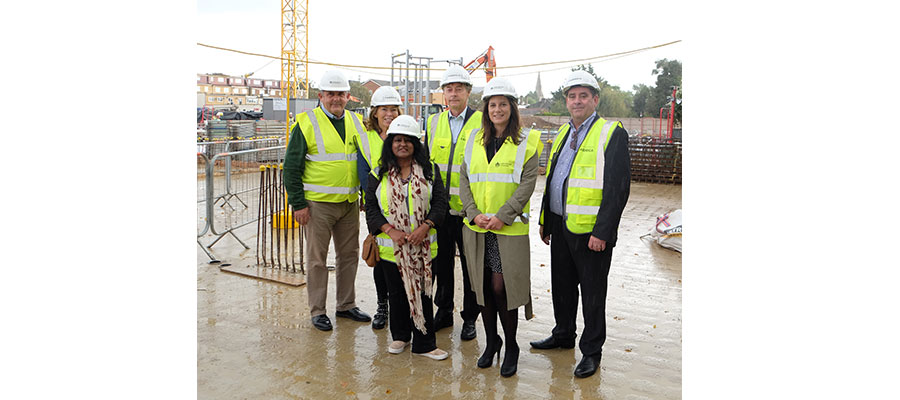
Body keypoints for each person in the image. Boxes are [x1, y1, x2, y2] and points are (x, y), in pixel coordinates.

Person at [530, 70, 631, 378]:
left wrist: (603, 231)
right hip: (561, 226)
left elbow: (617, 188)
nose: (577, 101)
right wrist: (546, 220)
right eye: (572, 96)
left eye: (583, 96)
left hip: (590, 233)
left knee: (592, 293)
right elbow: (553, 180)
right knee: (561, 287)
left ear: (594, 100)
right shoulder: (562, 132)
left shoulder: (610, 132)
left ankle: (591, 351)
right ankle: (563, 335)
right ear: (566, 101)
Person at [459, 78, 542, 377]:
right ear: (486, 109)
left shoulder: (527, 143)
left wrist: (503, 215)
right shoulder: (472, 140)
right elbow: (464, 180)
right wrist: (472, 212)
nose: (497, 109)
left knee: (501, 287)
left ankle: (511, 346)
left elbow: (527, 185)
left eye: (503, 104)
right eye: (492, 105)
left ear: (512, 108)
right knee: (482, 289)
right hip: (478, 226)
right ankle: (491, 341)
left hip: (508, 229)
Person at [283, 69, 371, 331]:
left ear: (348, 97)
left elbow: (364, 160)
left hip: (348, 204)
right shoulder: (306, 123)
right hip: (317, 205)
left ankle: (346, 305)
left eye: (340, 94)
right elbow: (291, 167)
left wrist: (365, 195)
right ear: (321, 96)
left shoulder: (356, 122)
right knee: (317, 260)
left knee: (349, 255)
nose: (336, 99)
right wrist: (298, 204)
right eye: (331, 94)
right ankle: (318, 310)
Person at [365, 115, 450, 360]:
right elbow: (370, 206)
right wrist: (390, 231)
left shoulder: (430, 171)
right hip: (393, 249)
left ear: (416, 143)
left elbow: (440, 203)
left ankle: (425, 343)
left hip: (423, 250)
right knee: (397, 295)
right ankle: (400, 336)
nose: (402, 144)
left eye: (408, 140)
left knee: (423, 294)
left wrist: (426, 226)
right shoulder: (378, 172)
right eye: (397, 140)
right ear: (390, 143)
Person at [424, 64, 482, 341]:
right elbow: (426, 163)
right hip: (440, 210)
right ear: (443, 93)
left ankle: (470, 318)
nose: (454, 93)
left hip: (470, 211)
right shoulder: (434, 122)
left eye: (459, 88)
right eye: (449, 89)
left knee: (472, 267)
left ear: (468, 92)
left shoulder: (482, 123)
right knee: (441, 264)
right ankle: (444, 311)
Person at [356, 86, 403, 330]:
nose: (389, 114)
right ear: (375, 113)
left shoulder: (405, 134)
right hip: (378, 208)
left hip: (406, 207)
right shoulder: (366, 139)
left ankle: (400, 305)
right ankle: (382, 305)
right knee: (381, 257)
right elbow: (364, 175)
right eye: (384, 109)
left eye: (393, 109)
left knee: (402, 257)